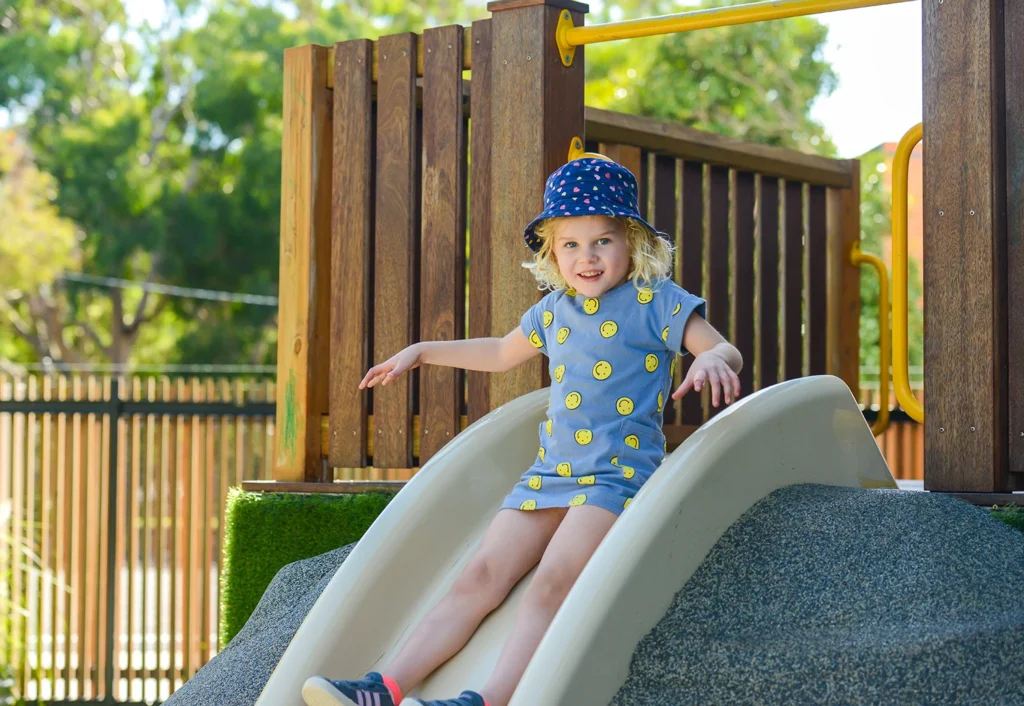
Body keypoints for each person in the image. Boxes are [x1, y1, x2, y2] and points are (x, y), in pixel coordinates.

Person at [302, 156, 742, 706]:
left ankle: (489, 699)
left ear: (632, 242)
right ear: (553, 254)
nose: (588, 257)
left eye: (602, 240)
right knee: (479, 575)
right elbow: (500, 353)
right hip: (550, 472)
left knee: (552, 581)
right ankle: (385, 688)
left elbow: (723, 348)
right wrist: (422, 351)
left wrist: (712, 362)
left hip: (616, 476)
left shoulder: (657, 301)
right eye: (571, 244)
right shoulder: (554, 311)